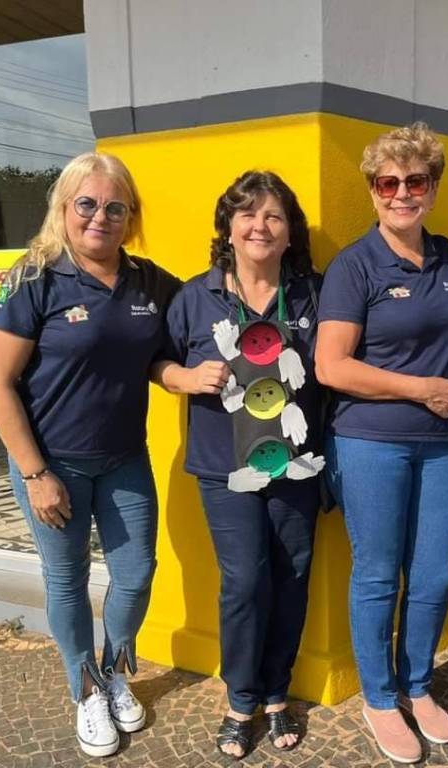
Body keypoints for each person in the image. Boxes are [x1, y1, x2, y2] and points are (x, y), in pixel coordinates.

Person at [0, 152, 181, 758]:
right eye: (87, 204)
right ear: (64, 208)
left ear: (131, 215)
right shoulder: (33, 278)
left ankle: (114, 670)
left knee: (136, 574)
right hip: (52, 464)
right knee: (66, 579)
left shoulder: (150, 282)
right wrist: (35, 473)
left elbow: (177, 339)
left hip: (124, 459)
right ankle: (86, 689)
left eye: (116, 207)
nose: (101, 217)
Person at [153, 171, 322, 759]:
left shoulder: (312, 294)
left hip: (296, 463)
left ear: (290, 231)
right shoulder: (195, 297)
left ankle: (277, 694)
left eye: (274, 216)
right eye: (247, 214)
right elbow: (157, 362)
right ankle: (240, 699)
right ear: (227, 227)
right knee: (246, 580)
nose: (260, 226)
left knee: (292, 576)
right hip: (225, 467)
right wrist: (184, 377)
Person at [315, 122, 448, 764]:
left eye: (416, 181)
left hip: (444, 443)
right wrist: (421, 389)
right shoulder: (355, 265)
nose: (402, 193)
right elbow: (330, 366)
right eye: (388, 183)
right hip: (372, 442)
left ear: (432, 189)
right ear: (373, 191)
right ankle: (380, 698)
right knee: (379, 574)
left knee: (434, 573)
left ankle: (419, 685)